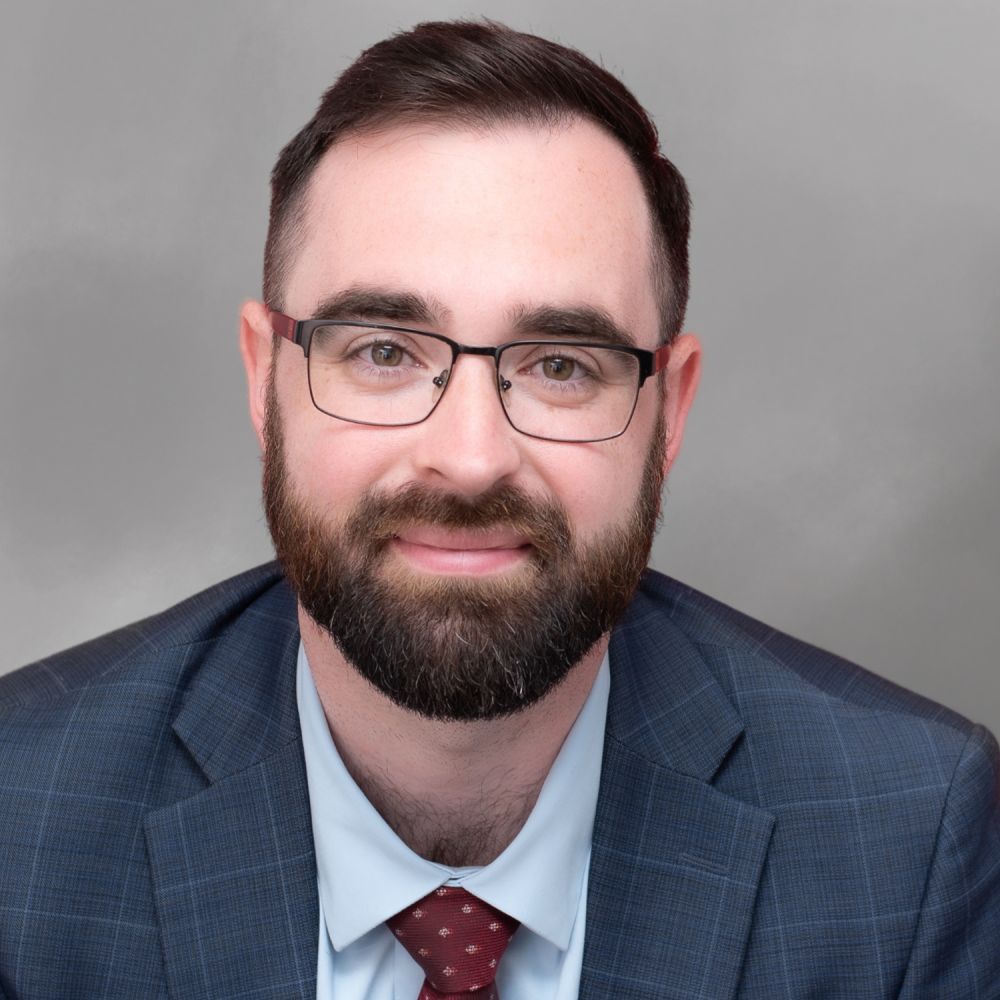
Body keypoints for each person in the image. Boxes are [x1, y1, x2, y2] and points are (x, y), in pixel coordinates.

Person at [0, 18, 997, 1000]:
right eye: (384, 351)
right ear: (267, 380)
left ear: (670, 408)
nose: (470, 461)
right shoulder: (19, 819)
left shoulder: (909, 836)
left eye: (562, 365)